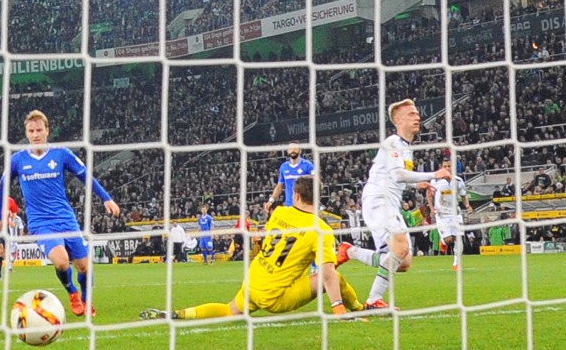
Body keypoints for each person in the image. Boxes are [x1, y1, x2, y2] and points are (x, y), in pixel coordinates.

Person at [140, 176, 361, 320]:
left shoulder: (279, 213)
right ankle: (359, 308)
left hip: (254, 280)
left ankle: (179, 314)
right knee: (335, 277)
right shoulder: (320, 228)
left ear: (295, 195)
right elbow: (328, 274)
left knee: (229, 310)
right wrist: (337, 306)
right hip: (276, 296)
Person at [0, 110, 120, 317]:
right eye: (31, 131)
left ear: (47, 131)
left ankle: (86, 300)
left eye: (39, 130)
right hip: (40, 222)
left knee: (84, 267)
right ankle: (71, 292)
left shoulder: (62, 154)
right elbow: (3, 186)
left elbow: (86, 176)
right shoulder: (17, 160)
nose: (35, 135)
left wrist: (106, 198)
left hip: (65, 218)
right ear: (26, 133)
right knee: (61, 261)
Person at [337, 99, 451, 311]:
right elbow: (397, 175)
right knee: (401, 247)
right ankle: (373, 300)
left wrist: (419, 184)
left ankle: (349, 251)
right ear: (397, 120)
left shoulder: (405, 147)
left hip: (388, 202)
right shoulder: (392, 142)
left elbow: (396, 176)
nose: (417, 117)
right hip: (379, 200)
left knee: (404, 261)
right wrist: (434, 174)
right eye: (411, 114)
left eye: (417, 114)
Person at [427, 157, 473, 271]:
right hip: (442, 214)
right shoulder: (435, 180)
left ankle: (456, 263)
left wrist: (467, 205)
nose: (447, 168)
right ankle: (442, 242)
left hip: (455, 213)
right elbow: (429, 193)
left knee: (459, 237)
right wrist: (431, 207)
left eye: (449, 166)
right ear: (442, 168)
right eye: (445, 166)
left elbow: (463, 195)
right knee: (448, 239)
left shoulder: (458, 181)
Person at [264, 141, 315, 211]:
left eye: (295, 148)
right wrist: (270, 201)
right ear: (287, 151)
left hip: (304, 206)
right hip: (289, 205)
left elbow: (315, 183)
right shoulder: (284, 167)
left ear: (300, 151)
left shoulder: (308, 165)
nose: (293, 150)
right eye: (290, 149)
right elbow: (279, 186)